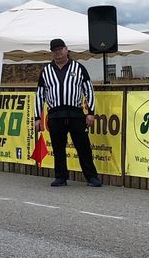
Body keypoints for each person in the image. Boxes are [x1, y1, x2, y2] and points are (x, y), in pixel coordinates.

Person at [34, 38, 101, 187]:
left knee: (83, 147)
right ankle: (61, 177)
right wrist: (37, 117)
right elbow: (40, 95)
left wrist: (91, 112)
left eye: (60, 49)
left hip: (76, 114)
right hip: (55, 115)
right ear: (52, 53)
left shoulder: (79, 68)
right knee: (58, 148)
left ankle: (91, 177)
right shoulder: (46, 71)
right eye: (55, 50)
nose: (58, 52)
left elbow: (89, 90)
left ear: (66, 49)